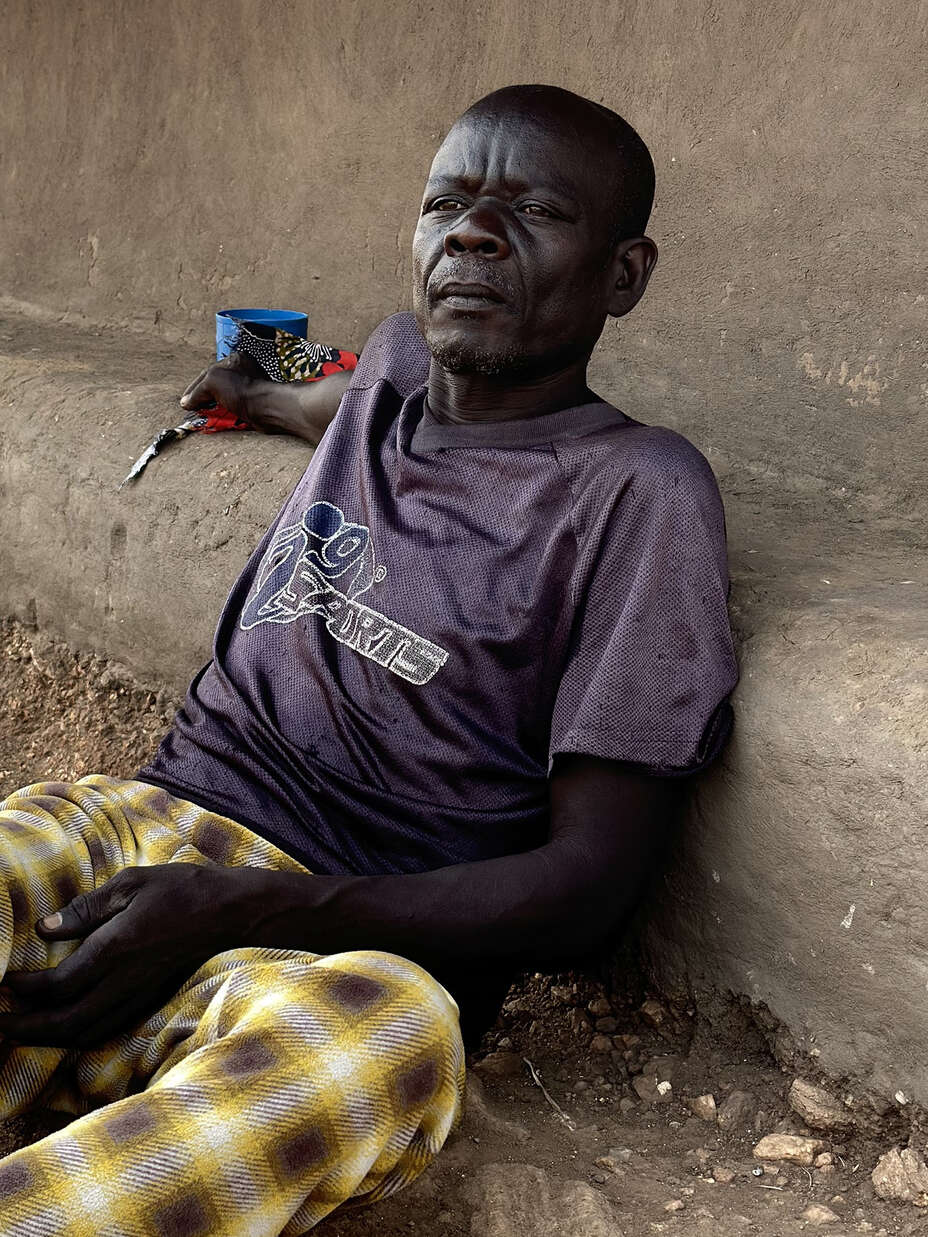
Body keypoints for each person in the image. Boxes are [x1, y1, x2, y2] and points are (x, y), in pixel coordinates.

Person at [0, 84, 738, 1235]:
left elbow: (589, 884)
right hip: (129, 839)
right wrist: (247, 390)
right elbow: (329, 394)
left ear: (624, 274)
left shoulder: (638, 493)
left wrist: (237, 910)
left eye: (533, 210)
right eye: (447, 204)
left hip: (335, 949)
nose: (473, 233)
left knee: (391, 1048)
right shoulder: (392, 376)